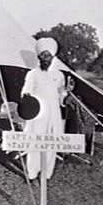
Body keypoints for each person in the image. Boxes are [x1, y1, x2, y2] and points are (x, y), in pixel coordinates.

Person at [21, 37, 66, 180]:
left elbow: (61, 95)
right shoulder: (32, 74)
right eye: (43, 56)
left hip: (53, 114)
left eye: (49, 56)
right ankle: (32, 172)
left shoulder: (59, 75)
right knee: (34, 141)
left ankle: (47, 173)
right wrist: (27, 97)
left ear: (53, 58)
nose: (46, 59)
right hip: (38, 113)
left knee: (51, 142)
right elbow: (25, 90)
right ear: (39, 57)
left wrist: (67, 93)